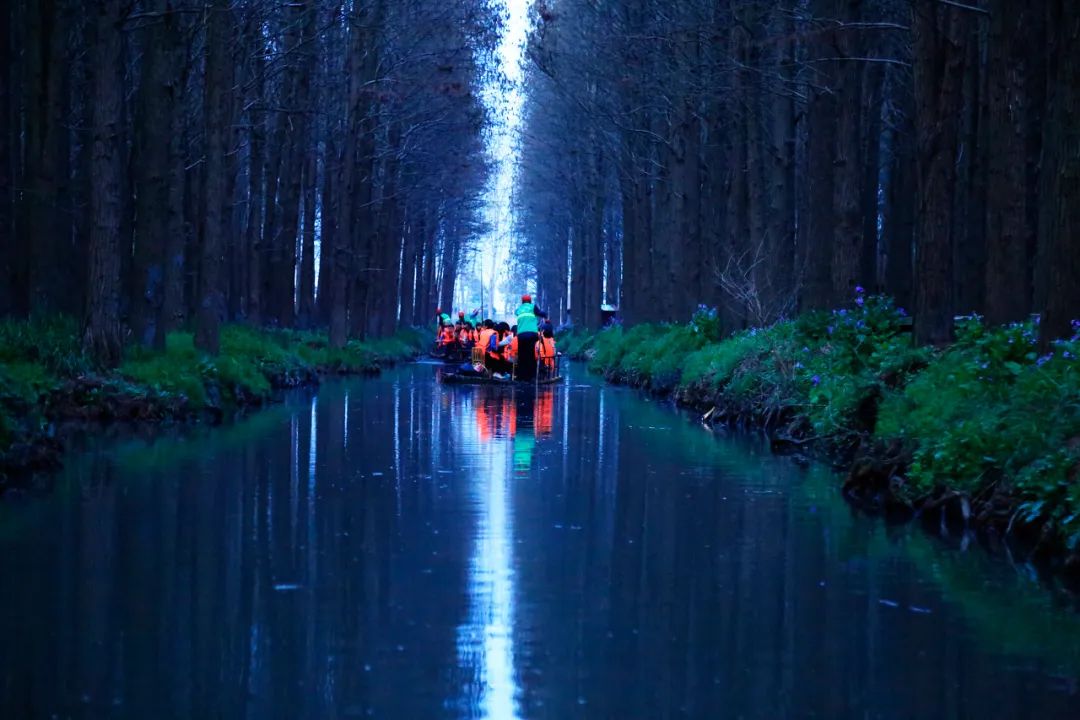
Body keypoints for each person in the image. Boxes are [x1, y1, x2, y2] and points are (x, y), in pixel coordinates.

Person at [514, 294, 541, 381]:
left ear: (522, 301)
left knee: (522, 355)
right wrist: (546, 315)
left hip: (521, 335)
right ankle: (532, 376)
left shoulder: (519, 309)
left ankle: (521, 376)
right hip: (532, 334)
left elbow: (516, 313)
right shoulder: (533, 307)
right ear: (530, 301)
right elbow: (540, 313)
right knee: (531, 355)